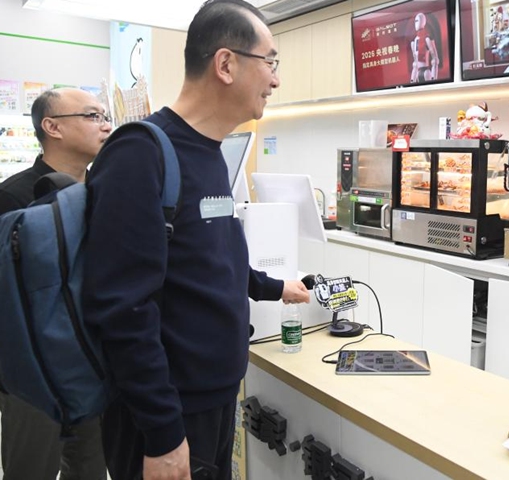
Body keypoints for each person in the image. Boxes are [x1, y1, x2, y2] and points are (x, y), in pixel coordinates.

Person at [81, 1, 310, 479]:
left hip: (214, 399)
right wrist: (164, 436)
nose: (275, 79)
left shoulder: (210, 155)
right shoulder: (141, 153)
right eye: (270, 62)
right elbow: (122, 309)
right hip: (166, 416)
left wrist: (276, 287)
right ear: (226, 64)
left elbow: (212, 259)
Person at [0, 87, 111, 480]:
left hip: (91, 364)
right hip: (31, 373)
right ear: (52, 127)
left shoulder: (106, 193)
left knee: (91, 469)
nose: (105, 125)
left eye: (105, 115)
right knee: (30, 469)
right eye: (92, 116)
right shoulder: (13, 197)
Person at [409, 12, 440, 83]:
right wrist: (412, 80)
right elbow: (415, 63)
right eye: (415, 21)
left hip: (426, 72)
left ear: (422, 22)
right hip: (417, 73)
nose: (415, 23)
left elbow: (435, 59)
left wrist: (433, 78)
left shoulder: (427, 39)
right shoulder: (414, 41)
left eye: (417, 21)